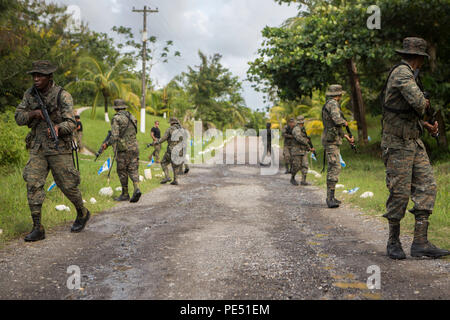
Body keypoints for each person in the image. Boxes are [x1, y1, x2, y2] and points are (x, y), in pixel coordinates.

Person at [381, 37, 449, 260]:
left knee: (426, 187)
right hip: (397, 143)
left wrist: (425, 124)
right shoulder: (402, 73)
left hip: (413, 141)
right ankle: (393, 241)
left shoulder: (411, 75)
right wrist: (427, 105)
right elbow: (419, 103)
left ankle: (420, 242)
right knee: (399, 193)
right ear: (419, 57)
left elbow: (407, 110)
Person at [15, 60, 90, 241]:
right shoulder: (30, 94)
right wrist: (34, 114)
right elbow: (18, 117)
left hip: (59, 147)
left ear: (49, 77)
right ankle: (37, 227)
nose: (36, 79)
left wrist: (58, 128)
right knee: (33, 182)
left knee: (67, 185)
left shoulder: (62, 95)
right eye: (34, 75)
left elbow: (72, 123)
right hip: (38, 146)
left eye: (40, 75)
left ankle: (82, 212)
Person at [321, 84, 355, 209]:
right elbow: (336, 120)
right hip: (331, 141)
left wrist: (345, 136)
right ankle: (330, 198)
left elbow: (333, 126)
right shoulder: (333, 104)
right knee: (334, 167)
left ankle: (332, 196)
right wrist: (344, 122)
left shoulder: (329, 104)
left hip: (332, 139)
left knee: (334, 167)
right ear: (339, 95)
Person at [102, 99, 141, 203]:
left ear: (116, 109)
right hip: (135, 146)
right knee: (133, 168)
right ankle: (137, 188)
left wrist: (106, 144)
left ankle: (125, 194)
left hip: (123, 149)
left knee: (122, 170)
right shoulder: (132, 117)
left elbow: (114, 136)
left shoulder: (117, 118)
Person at [156, 117, 184, 185]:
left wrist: (157, 142)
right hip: (180, 150)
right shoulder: (182, 130)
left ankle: (167, 177)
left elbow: (163, 138)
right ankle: (175, 180)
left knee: (163, 162)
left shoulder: (170, 129)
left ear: (172, 123)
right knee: (175, 165)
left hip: (172, 150)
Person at [291, 115, 315, 186]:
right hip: (296, 150)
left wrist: (309, 148)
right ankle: (292, 178)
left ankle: (303, 180)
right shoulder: (296, 129)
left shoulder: (303, 129)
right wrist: (306, 142)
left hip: (303, 150)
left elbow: (306, 139)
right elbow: (299, 138)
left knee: (305, 165)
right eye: (301, 123)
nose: (302, 124)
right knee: (297, 166)